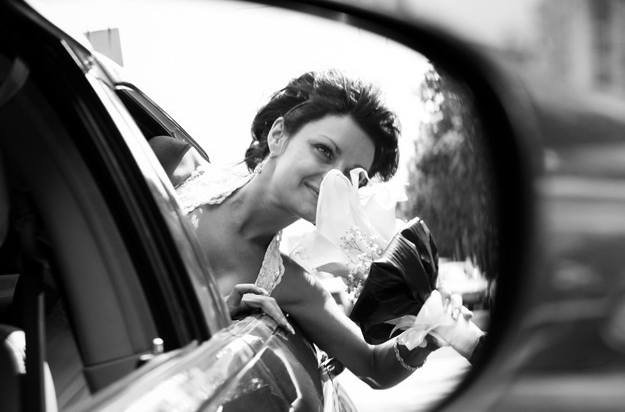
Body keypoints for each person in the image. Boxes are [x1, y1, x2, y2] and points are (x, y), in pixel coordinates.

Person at [172, 70, 484, 389]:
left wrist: (429, 333)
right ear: (278, 136)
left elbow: (372, 365)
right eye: (324, 151)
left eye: (352, 175)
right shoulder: (172, 164)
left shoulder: (293, 285)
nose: (332, 179)